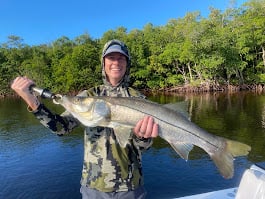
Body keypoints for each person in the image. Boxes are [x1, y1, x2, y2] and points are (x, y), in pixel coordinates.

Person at [11, 39, 158, 199]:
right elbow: (61, 128)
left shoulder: (140, 99)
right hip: (93, 187)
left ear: (127, 63)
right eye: (111, 58)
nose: (116, 62)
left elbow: (144, 147)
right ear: (103, 63)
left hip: (131, 188)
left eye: (121, 58)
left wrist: (143, 137)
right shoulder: (88, 96)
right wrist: (32, 101)